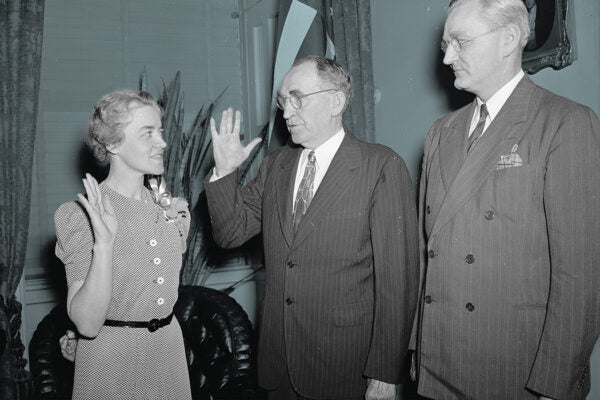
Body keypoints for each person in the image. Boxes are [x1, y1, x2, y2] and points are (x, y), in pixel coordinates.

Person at [411, 0, 600, 399]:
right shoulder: (440, 133)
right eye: (445, 44)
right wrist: (417, 347)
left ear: (509, 39)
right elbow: (424, 253)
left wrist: (555, 384)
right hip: (438, 362)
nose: (447, 57)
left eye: (460, 42)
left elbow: (580, 275)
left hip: (515, 367)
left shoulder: (564, 122)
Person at [205, 55, 419, 399]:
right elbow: (231, 233)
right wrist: (225, 173)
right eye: (282, 101)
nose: (286, 112)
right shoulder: (277, 165)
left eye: (297, 98)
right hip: (279, 367)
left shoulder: (379, 166)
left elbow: (399, 283)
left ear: (336, 100)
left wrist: (385, 373)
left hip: (346, 367)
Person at [54, 90, 192, 399]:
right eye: (148, 134)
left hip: (169, 354)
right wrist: (104, 244)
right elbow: (88, 324)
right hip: (112, 362)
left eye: (161, 131)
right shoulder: (81, 214)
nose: (163, 143)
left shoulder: (170, 208)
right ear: (113, 143)